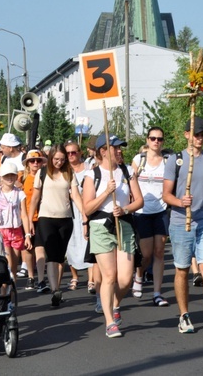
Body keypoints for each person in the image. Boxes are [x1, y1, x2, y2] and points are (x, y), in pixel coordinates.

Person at [162, 117, 203, 338]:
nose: (200, 138)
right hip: (182, 222)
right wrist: (180, 202)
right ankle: (184, 315)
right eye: (196, 134)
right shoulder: (176, 160)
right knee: (182, 269)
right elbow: (166, 195)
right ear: (186, 135)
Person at [82, 134, 143, 338]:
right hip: (100, 227)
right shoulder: (93, 175)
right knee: (109, 276)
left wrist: (125, 210)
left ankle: (115, 304)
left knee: (125, 279)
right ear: (103, 151)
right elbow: (87, 208)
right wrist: (106, 192)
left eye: (120, 148)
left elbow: (139, 201)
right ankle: (110, 322)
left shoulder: (128, 171)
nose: (119, 151)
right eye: (115, 148)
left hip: (123, 224)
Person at [27, 145, 84, 308]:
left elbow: (75, 196)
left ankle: (57, 290)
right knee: (51, 254)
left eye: (62, 159)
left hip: (65, 219)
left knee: (60, 257)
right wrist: (30, 220)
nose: (59, 162)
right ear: (51, 158)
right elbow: (35, 198)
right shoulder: (42, 173)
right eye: (56, 159)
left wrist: (85, 215)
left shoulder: (69, 173)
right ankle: (54, 290)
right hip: (46, 218)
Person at [130, 127, 170, 306]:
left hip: (161, 211)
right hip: (142, 212)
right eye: (153, 138)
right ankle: (139, 276)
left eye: (159, 139)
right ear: (147, 140)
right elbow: (130, 183)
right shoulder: (139, 160)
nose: (156, 142)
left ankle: (157, 292)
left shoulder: (168, 162)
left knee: (159, 252)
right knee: (146, 254)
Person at [65, 140, 94, 292]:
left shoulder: (89, 168)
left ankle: (91, 279)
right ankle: (74, 276)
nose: (71, 155)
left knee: (88, 241)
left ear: (80, 153)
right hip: (70, 210)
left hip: (86, 208)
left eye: (74, 152)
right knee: (71, 242)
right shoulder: (64, 170)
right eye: (68, 153)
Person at [0, 161, 27, 281]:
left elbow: (24, 214)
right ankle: (5, 292)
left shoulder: (20, 194)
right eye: (6, 176)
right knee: (7, 263)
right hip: (2, 229)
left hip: (16, 230)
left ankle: (11, 296)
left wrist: (27, 234)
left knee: (13, 266)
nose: (9, 178)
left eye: (12, 175)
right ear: (1, 178)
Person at [19, 149, 45, 289]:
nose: (35, 163)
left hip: (42, 217)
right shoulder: (21, 178)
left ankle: (41, 279)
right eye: (32, 160)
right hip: (26, 217)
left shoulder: (46, 176)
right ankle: (30, 276)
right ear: (27, 163)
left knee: (40, 248)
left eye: (38, 160)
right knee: (28, 248)